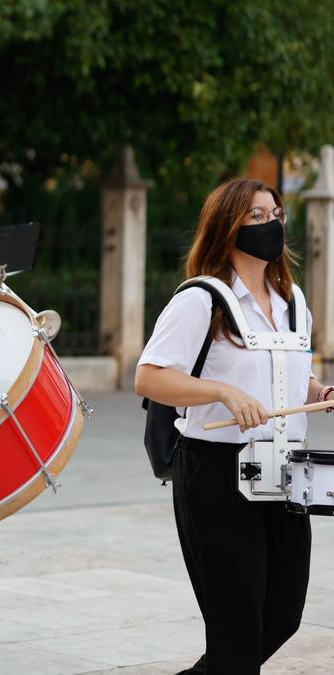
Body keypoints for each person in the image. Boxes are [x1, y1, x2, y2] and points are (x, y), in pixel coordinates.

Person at [135, 178, 324, 674]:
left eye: (276, 214)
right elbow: (149, 377)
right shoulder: (201, 299)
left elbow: (291, 372)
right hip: (218, 475)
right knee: (236, 633)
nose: (271, 224)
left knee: (282, 615)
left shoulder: (293, 301)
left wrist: (320, 393)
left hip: (286, 476)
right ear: (227, 226)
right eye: (256, 216)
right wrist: (221, 391)